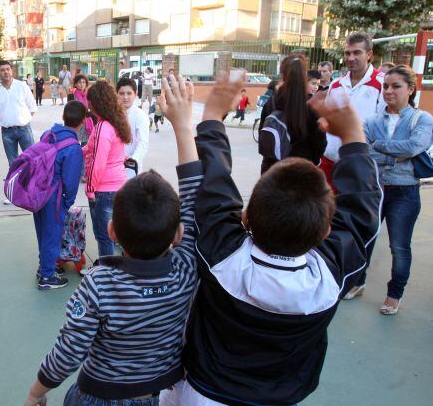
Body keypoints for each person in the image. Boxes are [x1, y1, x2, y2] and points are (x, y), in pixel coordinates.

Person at [176, 70, 382, 406]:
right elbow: (364, 214)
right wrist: (354, 139)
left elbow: (212, 186)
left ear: (245, 218)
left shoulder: (224, 256)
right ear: (326, 232)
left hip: (203, 393)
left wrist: (212, 116)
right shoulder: (329, 277)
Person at [22, 73, 204, 406]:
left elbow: (68, 352)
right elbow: (194, 198)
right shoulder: (186, 270)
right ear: (177, 234)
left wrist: (36, 392)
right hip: (162, 396)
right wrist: (183, 126)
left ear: (112, 232)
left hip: (98, 397)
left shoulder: (98, 283)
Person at [345, 65, 433, 313]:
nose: (388, 91)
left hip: (405, 191)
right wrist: (396, 153)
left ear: (411, 89)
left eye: (396, 86)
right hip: (375, 189)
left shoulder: (422, 119)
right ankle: (356, 281)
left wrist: (380, 146)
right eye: (385, 86)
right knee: (364, 239)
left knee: (399, 246)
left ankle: (394, 294)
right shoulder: (373, 120)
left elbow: (415, 146)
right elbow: (364, 150)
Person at [32, 101, 85, 291]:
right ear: (83, 122)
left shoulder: (49, 134)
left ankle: (43, 267)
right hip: (53, 198)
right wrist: (66, 202)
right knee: (52, 235)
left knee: (42, 232)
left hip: (37, 192)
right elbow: (70, 182)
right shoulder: (73, 148)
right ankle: (47, 276)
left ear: (63, 116)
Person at [323, 32, 385, 189]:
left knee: (355, 211)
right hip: (330, 162)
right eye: (347, 53)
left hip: (360, 165)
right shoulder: (336, 84)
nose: (351, 58)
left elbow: (385, 126)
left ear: (369, 54)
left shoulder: (382, 84)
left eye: (357, 52)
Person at [84, 81, 131, 258]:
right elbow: (89, 148)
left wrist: (90, 188)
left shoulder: (104, 127)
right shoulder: (112, 123)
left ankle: (107, 273)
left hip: (103, 190)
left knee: (104, 236)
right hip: (117, 187)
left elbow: (98, 161)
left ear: (96, 103)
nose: (87, 104)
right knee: (115, 233)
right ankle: (118, 269)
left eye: (89, 101)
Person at [259, 54, 327, 174]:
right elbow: (319, 145)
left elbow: (263, 137)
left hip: (272, 173)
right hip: (301, 174)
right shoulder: (312, 106)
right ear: (305, 75)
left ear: (282, 75)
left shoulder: (271, 103)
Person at [0, 60, 37, 176]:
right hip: (7, 132)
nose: (6, 72)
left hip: (24, 129)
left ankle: (33, 184)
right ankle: (17, 186)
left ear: (12, 70)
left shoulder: (22, 86)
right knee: (13, 163)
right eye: (2, 70)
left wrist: (23, 120)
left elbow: (32, 106)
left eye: (8, 69)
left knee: (32, 159)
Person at [116, 77, 149, 178]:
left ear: (135, 94)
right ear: (117, 94)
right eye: (122, 93)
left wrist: (133, 160)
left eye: (129, 93)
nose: (125, 97)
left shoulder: (140, 116)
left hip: (131, 170)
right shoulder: (113, 114)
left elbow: (143, 143)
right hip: (113, 170)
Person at [71, 74, 92, 145]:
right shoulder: (72, 95)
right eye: (80, 82)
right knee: (75, 143)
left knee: (85, 144)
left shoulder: (88, 95)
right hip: (77, 123)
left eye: (84, 82)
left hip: (86, 123)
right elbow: (70, 110)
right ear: (76, 84)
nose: (82, 84)